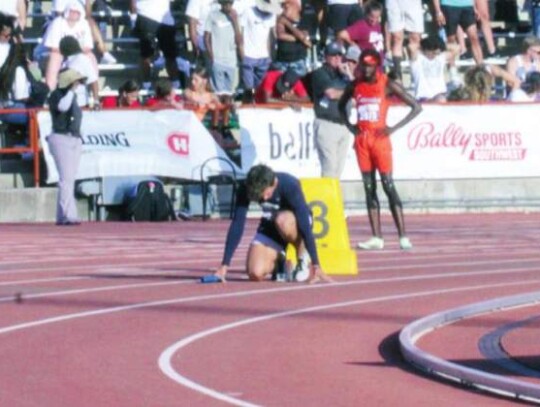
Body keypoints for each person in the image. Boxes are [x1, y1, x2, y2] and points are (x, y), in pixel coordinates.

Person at [338, 49, 422, 250]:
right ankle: (377, 236)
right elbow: (341, 105)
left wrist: (393, 128)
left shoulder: (386, 83)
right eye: (363, 65)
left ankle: (403, 235)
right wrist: (350, 126)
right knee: (369, 188)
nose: (366, 69)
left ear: (376, 66)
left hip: (380, 140)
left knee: (388, 184)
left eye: (369, 65)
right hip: (362, 140)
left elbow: (416, 107)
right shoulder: (355, 85)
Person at [214, 164, 332, 283]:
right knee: (255, 273)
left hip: (293, 223)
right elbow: (237, 223)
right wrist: (225, 264)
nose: (264, 198)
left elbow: (305, 224)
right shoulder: (245, 188)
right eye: (260, 196)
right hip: (271, 225)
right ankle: (280, 262)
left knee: (282, 220)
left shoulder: (289, 184)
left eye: (267, 194)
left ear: (274, 183)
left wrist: (316, 265)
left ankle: (302, 256)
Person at [47, 68, 86, 226]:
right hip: (61, 137)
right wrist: (70, 91)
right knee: (66, 179)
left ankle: (63, 214)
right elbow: (62, 107)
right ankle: (67, 214)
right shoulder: (57, 95)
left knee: (69, 178)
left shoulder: (73, 96)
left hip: (73, 137)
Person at [311, 41, 352, 179]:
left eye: (339, 55)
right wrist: (349, 91)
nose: (337, 58)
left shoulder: (344, 76)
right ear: (326, 57)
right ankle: (326, 200)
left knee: (338, 170)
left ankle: (333, 199)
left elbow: (358, 92)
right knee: (329, 168)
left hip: (344, 125)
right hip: (327, 124)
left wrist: (349, 74)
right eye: (333, 55)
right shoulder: (319, 73)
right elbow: (331, 94)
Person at [129, 0, 181, 91]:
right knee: (146, 56)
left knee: (170, 56)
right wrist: (133, 19)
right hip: (146, 16)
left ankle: (176, 86)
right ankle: (146, 86)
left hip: (166, 21)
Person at [408, 35, 460, 102]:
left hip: (441, 95)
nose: (434, 55)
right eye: (432, 52)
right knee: (441, 99)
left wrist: (439, 45)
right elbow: (411, 47)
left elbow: (457, 48)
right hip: (424, 98)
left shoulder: (440, 57)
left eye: (436, 53)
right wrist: (427, 44)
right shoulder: (418, 59)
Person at [432, 0, 484, 64]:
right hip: (449, 5)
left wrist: (474, 7)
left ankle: (481, 67)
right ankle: (452, 68)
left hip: (467, 5)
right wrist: (438, 11)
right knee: (451, 40)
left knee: (474, 37)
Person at [384, 0, 424, 81]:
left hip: (413, 3)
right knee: (397, 37)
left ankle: (415, 76)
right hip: (394, 3)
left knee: (415, 38)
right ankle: (398, 77)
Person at [59, 35, 99, 108]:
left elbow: (93, 81)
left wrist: (96, 101)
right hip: (64, 101)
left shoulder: (82, 59)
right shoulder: (64, 62)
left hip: (80, 102)